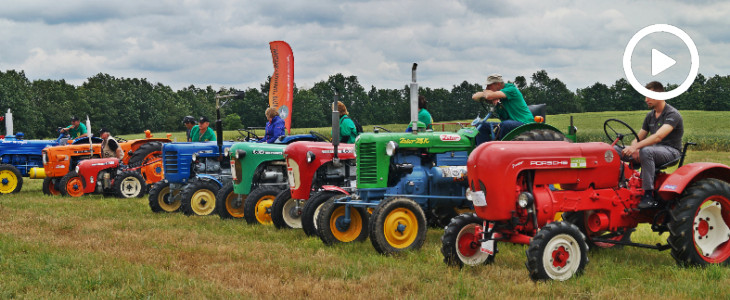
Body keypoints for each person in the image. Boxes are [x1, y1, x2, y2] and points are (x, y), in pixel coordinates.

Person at [618, 81, 683, 209]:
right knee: (614, 150)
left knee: (646, 151)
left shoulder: (672, 114)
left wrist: (637, 148)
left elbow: (658, 136)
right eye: (645, 96)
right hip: (652, 150)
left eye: (649, 96)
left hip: (671, 151)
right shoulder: (650, 116)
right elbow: (639, 137)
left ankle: (648, 195)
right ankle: (619, 186)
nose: (646, 99)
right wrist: (633, 147)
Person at [471, 74, 534, 141]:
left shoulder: (511, 89)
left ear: (498, 84)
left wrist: (490, 95)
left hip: (523, 123)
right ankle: (483, 149)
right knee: (482, 126)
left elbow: (489, 96)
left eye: (489, 85)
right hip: (509, 124)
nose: (487, 88)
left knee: (505, 124)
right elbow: (475, 97)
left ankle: (501, 149)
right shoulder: (496, 93)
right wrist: (490, 94)